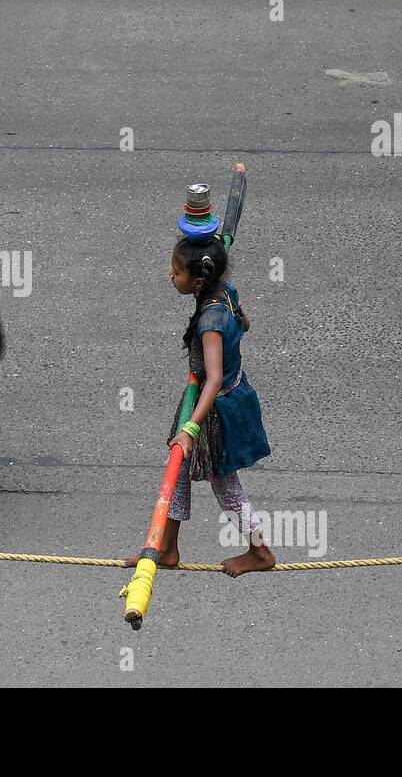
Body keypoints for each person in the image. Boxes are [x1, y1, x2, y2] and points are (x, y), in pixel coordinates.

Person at [124, 234, 275, 577]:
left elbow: (215, 378)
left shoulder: (210, 321)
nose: (170, 275)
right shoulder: (225, 291)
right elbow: (245, 323)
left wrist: (190, 428)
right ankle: (168, 548)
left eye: (176, 271)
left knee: (226, 486)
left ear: (197, 282)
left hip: (217, 411)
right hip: (215, 403)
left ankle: (261, 551)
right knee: (176, 470)